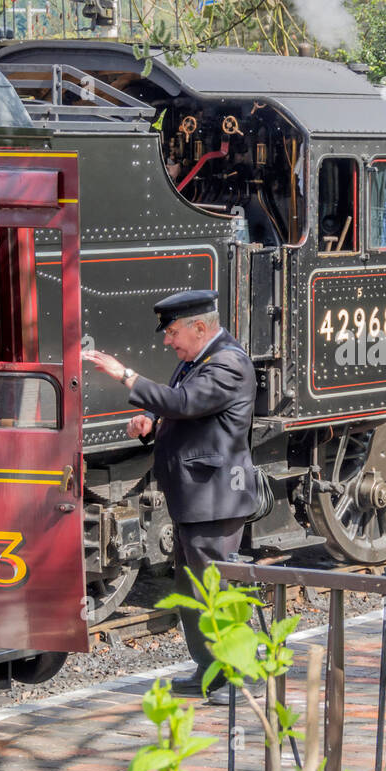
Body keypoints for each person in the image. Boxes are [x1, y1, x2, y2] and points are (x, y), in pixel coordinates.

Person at [82, 289, 258, 699]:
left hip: (216, 498)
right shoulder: (197, 360)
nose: (167, 340)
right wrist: (151, 423)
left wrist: (124, 375)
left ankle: (243, 676)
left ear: (201, 327)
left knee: (218, 589)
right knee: (193, 587)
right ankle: (209, 670)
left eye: (173, 331)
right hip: (195, 495)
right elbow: (182, 413)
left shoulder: (228, 363)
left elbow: (185, 401)